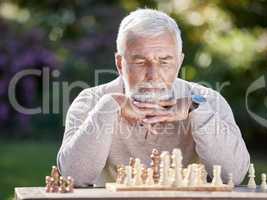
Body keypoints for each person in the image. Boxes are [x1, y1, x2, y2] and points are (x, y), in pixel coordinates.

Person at [57, 8, 250, 187]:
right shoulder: (91, 101)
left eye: (165, 61)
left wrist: (197, 109)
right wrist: (110, 105)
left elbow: (234, 175)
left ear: (179, 62)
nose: (153, 74)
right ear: (120, 63)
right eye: (141, 62)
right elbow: (73, 177)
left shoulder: (208, 101)